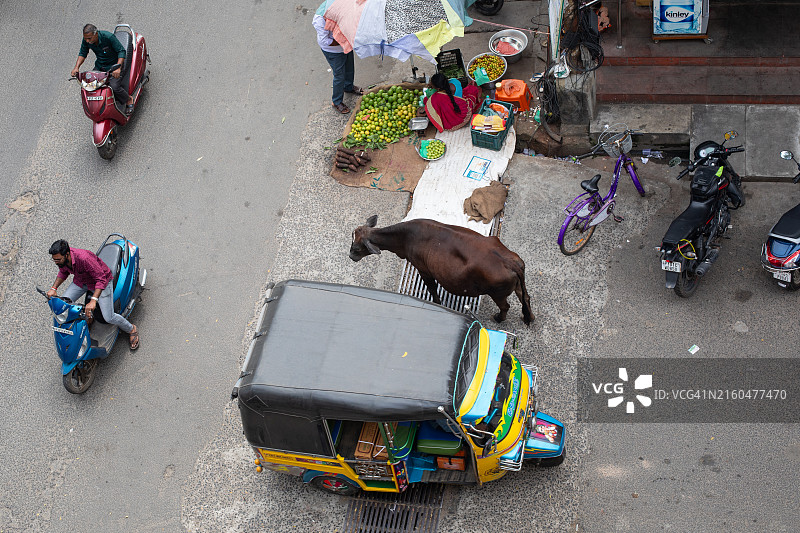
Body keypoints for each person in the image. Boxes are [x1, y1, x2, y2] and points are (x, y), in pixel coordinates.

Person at [47, 239, 139, 350]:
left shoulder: (84, 258)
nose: (56, 262)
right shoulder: (62, 260)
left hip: (102, 282)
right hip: (82, 281)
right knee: (64, 305)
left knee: (109, 317)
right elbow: (63, 271)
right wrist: (53, 288)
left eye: (58, 260)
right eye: (54, 260)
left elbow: (101, 279)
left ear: (67, 254)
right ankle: (85, 322)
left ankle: (131, 329)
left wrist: (94, 300)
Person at [70, 24, 134, 114]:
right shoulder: (87, 40)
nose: (87, 41)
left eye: (89, 38)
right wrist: (76, 68)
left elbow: (121, 51)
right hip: (100, 66)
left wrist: (118, 67)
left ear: (96, 34)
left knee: (114, 87)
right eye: (86, 39)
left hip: (114, 66)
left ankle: (128, 99)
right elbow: (83, 53)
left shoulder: (108, 37)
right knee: (90, 85)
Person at [312, 13, 364, 114]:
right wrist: (343, 41)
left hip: (346, 45)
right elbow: (325, 41)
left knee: (349, 67)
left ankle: (348, 86)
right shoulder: (319, 19)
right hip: (333, 51)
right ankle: (336, 101)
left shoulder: (339, 7)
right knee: (339, 75)